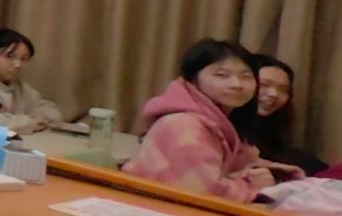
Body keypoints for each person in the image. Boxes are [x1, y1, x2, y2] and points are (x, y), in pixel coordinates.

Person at [126, 40, 299, 202]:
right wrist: (252, 185)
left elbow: (245, 164)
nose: (237, 84)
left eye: (246, 76)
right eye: (222, 75)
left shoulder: (227, 121)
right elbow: (205, 194)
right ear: (194, 79)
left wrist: (273, 175)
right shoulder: (182, 125)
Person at [250, 55, 329, 176]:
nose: (274, 94)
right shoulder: (226, 129)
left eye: (283, 89)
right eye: (264, 85)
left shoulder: (273, 131)